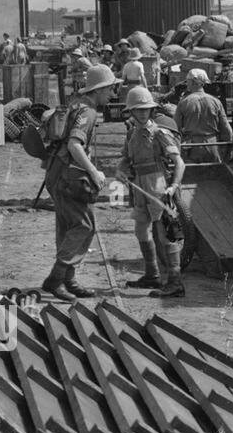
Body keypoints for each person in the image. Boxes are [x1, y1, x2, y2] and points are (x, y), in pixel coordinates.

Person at [41, 64, 116, 300]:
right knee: (84, 226)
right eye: (109, 89)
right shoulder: (88, 112)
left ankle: (68, 279)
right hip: (70, 177)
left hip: (57, 173)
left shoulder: (76, 104)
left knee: (67, 226)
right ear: (99, 90)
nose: (111, 94)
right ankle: (55, 279)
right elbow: (74, 144)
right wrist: (94, 171)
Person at [117, 86, 185, 297]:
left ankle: (175, 283)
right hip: (138, 185)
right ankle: (152, 274)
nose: (142, 113)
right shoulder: (131, 135)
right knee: (140, 230)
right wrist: (120, 170)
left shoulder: (159, 133)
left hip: (158, 184)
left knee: (166, 233)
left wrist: (173, 186)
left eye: (146, 109)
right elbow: (125, 160)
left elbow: (179, 162)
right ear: (131, 111)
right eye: (138, 109)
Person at [174, 68, 232, 164]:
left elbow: (175, 128)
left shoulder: (184, 102)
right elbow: (226, 128)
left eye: (188, 81)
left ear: (193, 82)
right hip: (213, 145)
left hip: (192, 146)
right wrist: (229, 147)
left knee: (193, 176)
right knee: (214, 175)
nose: (186, 83)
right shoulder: (216, 102)